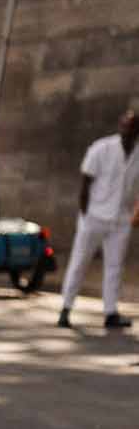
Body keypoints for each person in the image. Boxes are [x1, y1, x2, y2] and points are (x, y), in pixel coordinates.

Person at [57, 108, 139, 332]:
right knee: (79, 261)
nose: (127, 130)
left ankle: (110, 311)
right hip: (94, 216)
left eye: (132, 126)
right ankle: (65, 307)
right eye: (124, 124)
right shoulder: (102, 148)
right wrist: (85, 214)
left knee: (115, 266)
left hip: (120, 219)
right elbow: (85, 181)